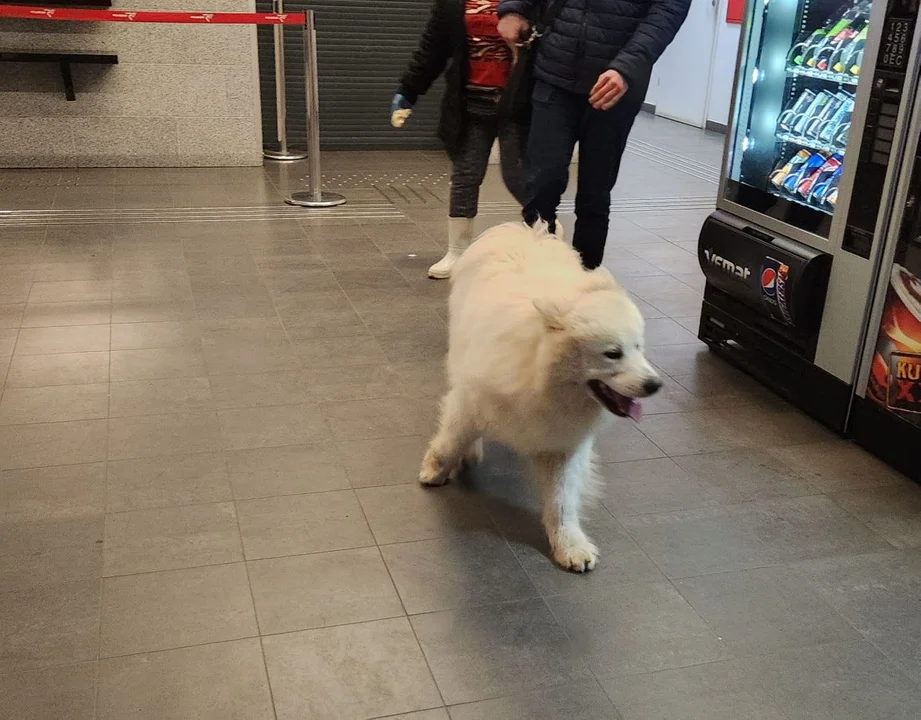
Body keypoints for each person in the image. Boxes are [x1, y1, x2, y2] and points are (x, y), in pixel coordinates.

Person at [496, 0, 691, 269]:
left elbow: (667, 12)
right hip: (554, 72)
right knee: (542, 185)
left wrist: (627, 66)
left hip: (615, 87)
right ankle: (535, 277)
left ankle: (585, 284)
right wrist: (514, 9)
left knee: (594, 196)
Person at [393, 0, 528, 279]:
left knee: (520, 177)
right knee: (465, 175)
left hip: (518, 103)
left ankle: (546, 240)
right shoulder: (452, 3)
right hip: (470, 103)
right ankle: (458, 250)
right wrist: (408, 90)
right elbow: (433, 49)